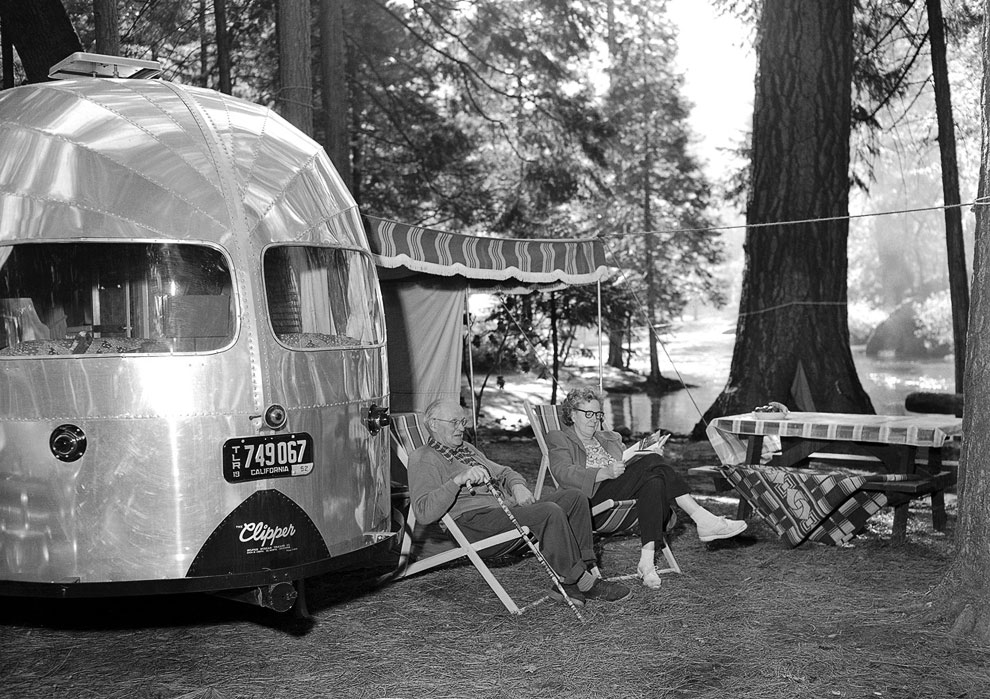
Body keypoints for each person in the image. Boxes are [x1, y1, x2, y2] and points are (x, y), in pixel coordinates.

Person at [408, 399, 631, 608]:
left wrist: (517, 485)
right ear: (434, 425)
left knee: (574, 497)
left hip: (504, 511)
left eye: (463, 421)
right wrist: (457, 480)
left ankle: (578, 574)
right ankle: (581, 581)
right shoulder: (424, 458)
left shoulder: (466, 450)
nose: (461, 428)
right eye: (454, 422)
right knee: (548, 512)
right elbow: (423, 512)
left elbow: (505, 472)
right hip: (473, 524)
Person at [546, 387, 748, 590]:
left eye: (598, 414)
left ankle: (647, 561)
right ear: (572, 414)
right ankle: (703, 519)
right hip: (592, 503)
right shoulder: (560, 438)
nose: (594, 419)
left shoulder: (610, 438)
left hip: (623, 495)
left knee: (654, 481)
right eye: (588, 414)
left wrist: (647, 453)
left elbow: (631, 466)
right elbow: (561, 471)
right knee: (653, 464)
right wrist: (603, 473)